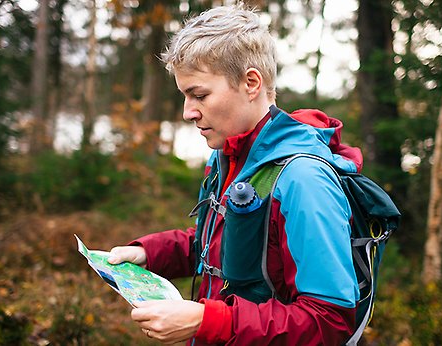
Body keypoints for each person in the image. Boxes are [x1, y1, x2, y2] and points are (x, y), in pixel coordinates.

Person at [107, 4, 364, 345]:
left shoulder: (304, 179)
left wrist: (207, 320)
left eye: (199, 95)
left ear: (251, 82)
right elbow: (217, 244)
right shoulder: (227, 156)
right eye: (185, 96)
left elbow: (329, 322)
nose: (188, 112)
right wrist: (148, 253)